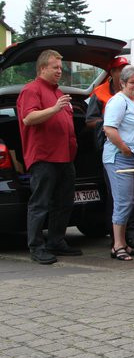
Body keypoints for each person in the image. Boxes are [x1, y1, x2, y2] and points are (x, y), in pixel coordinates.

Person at [16, 49, 82, 264]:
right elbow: (29, 118)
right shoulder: (31, 90)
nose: (59, 71)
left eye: (60, 68)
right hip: (44, 157)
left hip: (65, 158)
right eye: (55, 67)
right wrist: (55, 109)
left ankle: (56, 241)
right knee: (40, 203)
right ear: (43, 68)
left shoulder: (57, 91)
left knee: (63, 203)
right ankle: (36, 246)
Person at [102, 65, 134, 261]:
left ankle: (124, 243)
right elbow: (109, 129)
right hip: (121, 158)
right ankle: (118, 245)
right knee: (122, 201)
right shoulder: (118, 102)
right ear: (122, 83)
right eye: (132, 82)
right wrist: (125, 149)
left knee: (131, 200)